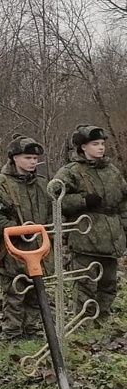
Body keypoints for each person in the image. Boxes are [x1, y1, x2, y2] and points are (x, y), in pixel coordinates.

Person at [0, 137, 52, 341]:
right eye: (28, 157)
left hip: (39, 247)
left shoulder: (42, 184)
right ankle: (13, 333)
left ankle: (33, 330)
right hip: (12, 249)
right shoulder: (1, 183)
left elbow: (53, 211)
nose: (32, 162)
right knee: (15, 292)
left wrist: (48, 233)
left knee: (36, 291)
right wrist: (12, 229)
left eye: (35, 158)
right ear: (15, 158)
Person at [54, 125, 126, 321]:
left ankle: (102, 319)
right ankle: (83, 323)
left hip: (111, 238)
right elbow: (54, 198)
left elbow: (123, 202)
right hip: (85, 237)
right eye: (95, 144)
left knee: (109, 284)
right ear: (83, 147)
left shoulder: (111, 171)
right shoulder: (71, 172)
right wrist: (82, 201)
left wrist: (124, 230)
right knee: (85, 283)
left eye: (102, 144)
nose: (101, 148)